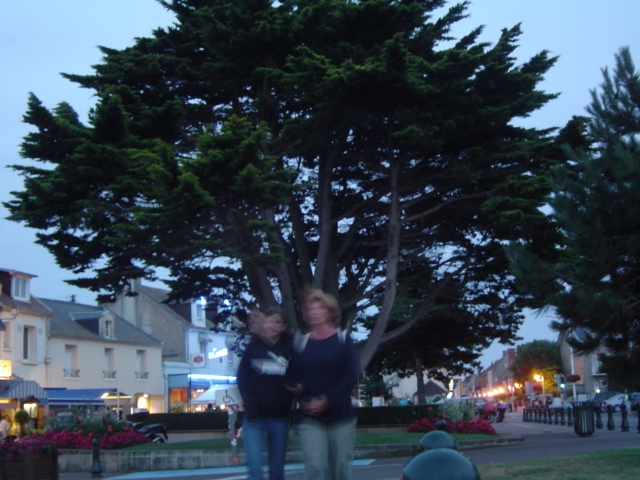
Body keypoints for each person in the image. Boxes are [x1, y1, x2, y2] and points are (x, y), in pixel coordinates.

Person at [289, 289, 360, 480]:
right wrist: (304, 400)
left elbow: (350, 376)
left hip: (340, 415)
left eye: (319, 308)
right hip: (311, 417)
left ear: (329, 311)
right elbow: (294, 377)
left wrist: (327, 400)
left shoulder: (343, 340)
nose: (314, 312)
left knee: (340, 468)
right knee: (314, 466)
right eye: (310, 309)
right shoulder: (302, 343)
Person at [237, 306, 295, 480]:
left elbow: (298, 375)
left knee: (277, 470)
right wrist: (250, 405)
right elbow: (243, 378)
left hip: (280, 417)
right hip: (255, 418)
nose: (272, 325)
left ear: (283, 326)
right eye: (268, 321)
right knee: (255, 467)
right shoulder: (253, 348)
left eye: (277, 322)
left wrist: (292, 395)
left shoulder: (290, 348)